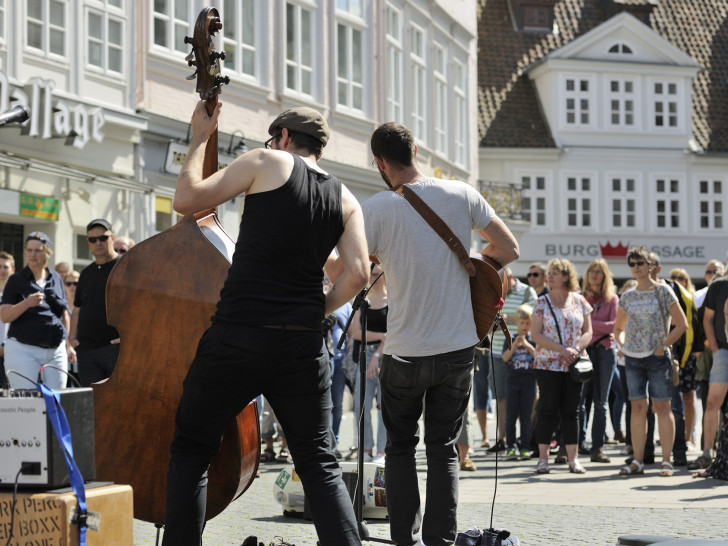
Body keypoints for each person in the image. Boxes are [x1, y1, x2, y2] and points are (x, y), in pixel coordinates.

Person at [162, 102, 368, 546]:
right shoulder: (347, 197)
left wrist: (199, 135)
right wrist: (318, 309)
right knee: (318, 461)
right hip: (301, 346)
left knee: (193, 449)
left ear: (286, 138)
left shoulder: (264, 160)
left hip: (240, 332)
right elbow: (358, 276)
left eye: (276, 137)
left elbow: (187, 200)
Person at [356, 121, 518, 546]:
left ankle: (404, 541)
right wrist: (468, 262)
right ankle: (441, 541)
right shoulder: (461, 193)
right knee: (443, 448)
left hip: (405, 349)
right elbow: (508, 249)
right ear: (414, 148)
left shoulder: (376, 208)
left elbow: (348, 267)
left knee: (401, 447)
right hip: (457, 347)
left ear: (380, 162)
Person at [614, 246, 687, 477]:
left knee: (662, 407)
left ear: (650, 266)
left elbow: (681, 324)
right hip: (633, 359)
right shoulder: (628, 295)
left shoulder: (664, 291)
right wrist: (623, 344)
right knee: (637, 408)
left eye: (640, 263)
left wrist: (662, 346)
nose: (636, 267)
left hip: (657, 358)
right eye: (632, 264)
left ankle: (667, 461)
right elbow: (618, 328)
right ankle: (637, 460)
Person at [531, 258, 593, 475]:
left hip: (574, 364)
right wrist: (561, 350)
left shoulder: (580, 301)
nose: (550, 276)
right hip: (548, 364)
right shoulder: (541, 303)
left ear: (567, 276)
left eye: (555, 272)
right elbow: (535, 335)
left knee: (572, 411)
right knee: (547, 409)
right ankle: (543, 459)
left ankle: (573, 459)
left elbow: (588, 331)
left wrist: (575, 349)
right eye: (549, 272)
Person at [0, 233, 75, 389]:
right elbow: (5, 316)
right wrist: (26, 303)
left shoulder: (56, 278)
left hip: (56, 349)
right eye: (29, 250)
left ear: (46, 252)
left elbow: (64, 314)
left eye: (38, 250)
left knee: (57, 399)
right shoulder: (16, 279)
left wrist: (68, 345)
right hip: (23, 349)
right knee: (27, 402)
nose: (33, 254)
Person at [487, 267, 537, 454]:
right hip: (499, 352)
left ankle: (525, 440)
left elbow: (531, 318)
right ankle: (504, 440)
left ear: (510, 278)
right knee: (501, 398)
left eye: (501, 282)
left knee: (527, 403)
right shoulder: (491, 291)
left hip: (524, 357)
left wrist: (506, 320)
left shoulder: (526, 292)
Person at [68, 219, 121, 387]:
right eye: (93, 239)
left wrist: (129, 337)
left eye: (103, 238)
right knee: (91, 405)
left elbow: (142, 306)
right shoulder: (85, 273)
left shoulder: (126, 266)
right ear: (88, 242)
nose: (98, 243)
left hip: (116, 349)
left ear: (112, 237)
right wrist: (72, 337)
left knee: (119, 401)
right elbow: (77, 309)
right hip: (87, 351)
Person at [688, 261, 728, 471]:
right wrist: (714, 347)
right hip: (723, 351)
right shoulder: (719, 285)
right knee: (712, 402)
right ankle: (706, 453)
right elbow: (708, 319)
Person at [579, 258, 619, 463]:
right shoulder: (579, 297)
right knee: (579, 401)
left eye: (599, 271)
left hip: (605, 351)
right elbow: (576, 323)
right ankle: (576, 445)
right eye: (591, 271)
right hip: (584, 352)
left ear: (604, 276)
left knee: (601, 402)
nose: (594, 274)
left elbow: (615, 325)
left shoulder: (611, 299)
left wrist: (590, 325)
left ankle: (598, 448)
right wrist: (594, 325)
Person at [350, 262, 388, 464]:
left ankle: (381, 451)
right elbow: (355, 332)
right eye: (372, 274)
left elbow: (395, 333)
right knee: (360, 405)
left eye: (378, 274)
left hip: (386, 356)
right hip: (364, 353)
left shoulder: (393, 300)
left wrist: (378, 355)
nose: (375, 277)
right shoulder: (363, 299)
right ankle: (366, 448)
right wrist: (381, 336)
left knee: (384, 406)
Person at [501, 304, 536, 461]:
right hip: (512, 381)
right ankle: (510, 446)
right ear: (516, 323)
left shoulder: (534, 339)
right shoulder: (511, 338)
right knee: (511, 416)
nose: (525, 326)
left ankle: (525, 446)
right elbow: (505, 358)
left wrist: (527, 345)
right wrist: (515, 344)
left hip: (528, 381)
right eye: (522, 323)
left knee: (526, 416)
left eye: (528, 323)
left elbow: (538, 357)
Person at [0, 251, 15, 389]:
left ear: (13, 269)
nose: (2, 270)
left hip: (14, 352)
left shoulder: (19, 295)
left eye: (5, 267)